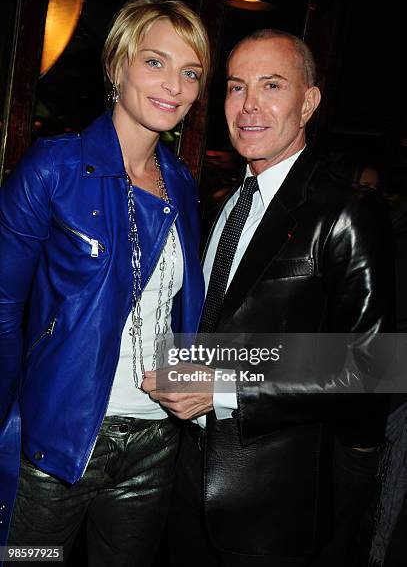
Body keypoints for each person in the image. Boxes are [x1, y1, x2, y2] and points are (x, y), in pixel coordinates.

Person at [143, 29, 393, 566]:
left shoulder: (345, 212)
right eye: (236, 88)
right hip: (180, 479)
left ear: (308, 102)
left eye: (272, 85)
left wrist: (226, 386)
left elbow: (375, 367)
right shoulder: (215, 203)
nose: (249, 105)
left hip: (275, 502)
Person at [0, 0, 209, 566]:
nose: (175, 84)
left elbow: (178, 310)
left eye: (190, 71)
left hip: (155, 441)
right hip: (58, 443)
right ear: (117, 66)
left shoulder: (184, 186)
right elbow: (2, 306)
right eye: (155, 62)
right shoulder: (54, 166)